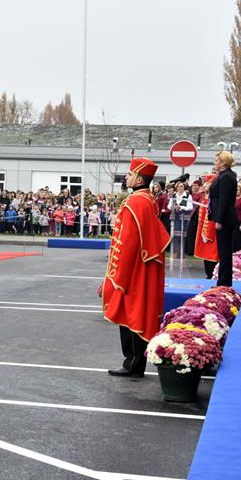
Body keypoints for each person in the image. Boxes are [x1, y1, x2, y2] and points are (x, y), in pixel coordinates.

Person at [99, 157, 170, 378]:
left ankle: (132, 363)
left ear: (139, 178)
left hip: (133, 270)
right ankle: (134, 363)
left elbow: (127, 243)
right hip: (142, 267)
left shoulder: (134, 203)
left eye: (129, 174)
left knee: (129, 315)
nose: (126, 177)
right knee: (136, 313)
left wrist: (116, 277)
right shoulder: (147, 199)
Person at [209, 151, 239, 287]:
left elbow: (224, 200)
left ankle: (224, 282)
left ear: (223, 162)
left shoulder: (226, 177)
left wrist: (219, 220)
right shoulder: (223, 175)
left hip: (225, 219)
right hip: (224, 217)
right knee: (224, 251)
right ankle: (224, 281)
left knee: (225, 251)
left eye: (217, 161)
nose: (215, 163)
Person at [194, 175, 219, 279]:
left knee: (211, 255)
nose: (204, 185)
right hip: (203, 231)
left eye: (206, 182)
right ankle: (208, 275)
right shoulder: (205, 197)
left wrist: (207, 233)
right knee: (205, 255)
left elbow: (211, 217)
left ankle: (211, 275)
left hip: (210, 233)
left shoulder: (213, 198)